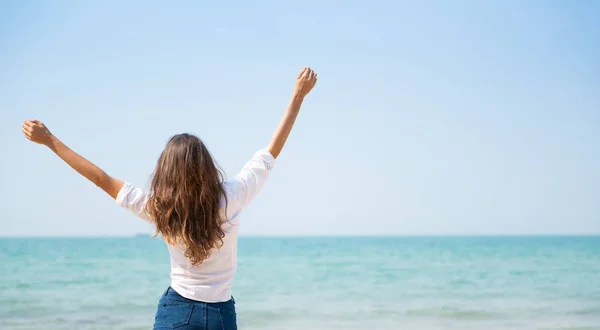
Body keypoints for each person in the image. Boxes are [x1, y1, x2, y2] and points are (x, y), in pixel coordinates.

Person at [21, 67, 318, 330]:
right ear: (206, 164)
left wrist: (50, 141)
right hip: (222, 316)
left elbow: (101, 178)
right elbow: (271, 151)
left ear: (166, 171)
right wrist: (298, 97)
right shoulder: (232, 195)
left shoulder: (158, 208)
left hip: (178, 312)